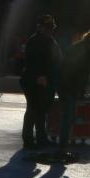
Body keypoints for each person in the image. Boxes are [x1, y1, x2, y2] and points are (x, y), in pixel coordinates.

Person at [54, 27, 90, 161]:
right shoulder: (79, 49)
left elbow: (83, 76)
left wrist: (81, 92)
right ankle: (62, 148)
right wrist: (73, 90)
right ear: (89, 38)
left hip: (70, 87)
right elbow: (70, 71)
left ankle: (64, 146)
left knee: (69, 117)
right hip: (66, 86)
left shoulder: (89, 52)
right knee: (68, 116)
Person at [19, 13, 61, 152]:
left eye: (51, 28)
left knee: (41, 111)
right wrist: (40, 76)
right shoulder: (35, 41)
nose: (50, 30)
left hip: (45, 81)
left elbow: (56, 59)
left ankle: (41, 138)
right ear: (40, 27)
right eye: (47, 28)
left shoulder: (50, 40)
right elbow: (32, 62)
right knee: (33, 110)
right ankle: (28, 140)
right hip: (33, 81)